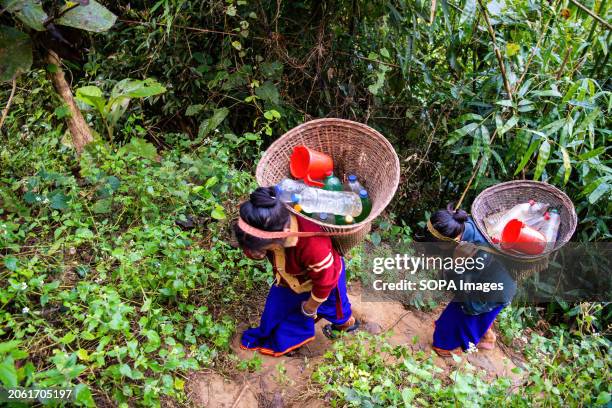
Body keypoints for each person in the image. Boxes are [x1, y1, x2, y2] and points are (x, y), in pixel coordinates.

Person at [233, 186, 360, 356]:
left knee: (337, 312)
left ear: (281, 236)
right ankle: (283, 340)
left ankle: (346, 325)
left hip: (326, 280)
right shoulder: (270, 220)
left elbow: (325, 282)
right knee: (275, 312)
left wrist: (309, 308)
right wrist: (256, 252)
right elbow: (253, 242)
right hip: (288, 278)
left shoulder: (313, 247)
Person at [425, 204, 517, 357]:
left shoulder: (478, 252)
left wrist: (456, 264)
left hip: (492, 291)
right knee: (462, 315)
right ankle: (486, 334)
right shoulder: (462, 226)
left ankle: (459, 344)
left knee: (444, 340)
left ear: (452, 239)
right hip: (487, 281)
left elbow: (461, 287)